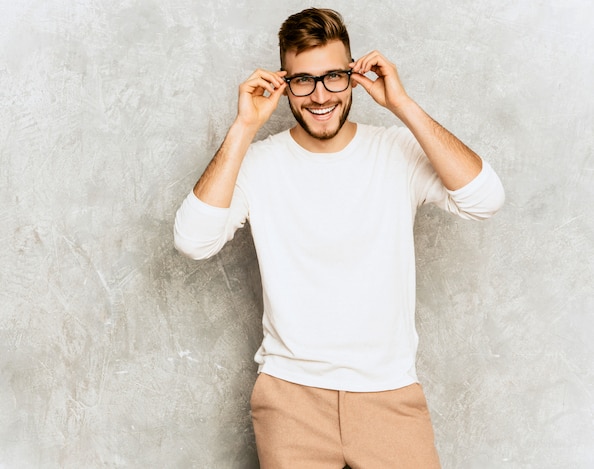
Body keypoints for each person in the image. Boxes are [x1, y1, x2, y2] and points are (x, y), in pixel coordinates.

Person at [174, 7, 504, 469]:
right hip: (290, 399)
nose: (320, 95)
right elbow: (193, 240)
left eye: (333, 77)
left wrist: (402, 105)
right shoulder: (258, 164)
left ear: (354, 77)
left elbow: (484, 199)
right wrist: (244, 127)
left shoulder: (395, 150)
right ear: (284, 83)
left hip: (388, 394)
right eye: (304, 81)